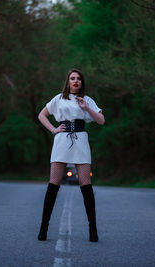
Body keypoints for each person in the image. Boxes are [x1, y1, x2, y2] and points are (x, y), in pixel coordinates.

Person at [37, 69, 105, 242]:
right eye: (72, 78)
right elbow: (42, 115)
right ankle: (43, 229)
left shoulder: (87, 100)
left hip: (81, 140)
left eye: (79, 79)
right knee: (53, 184)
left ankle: (93, 231)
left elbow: (101, 120)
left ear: (82, 82)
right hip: (61, 140)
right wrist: (53, 129)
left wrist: (86, 107)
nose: (75, 81)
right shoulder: (59, 98)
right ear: (67, 81)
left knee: (86, 185)